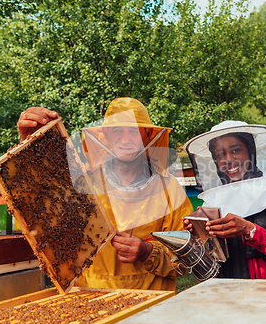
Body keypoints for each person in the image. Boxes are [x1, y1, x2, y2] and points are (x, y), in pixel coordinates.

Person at [17, 97, 193, 291]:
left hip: (150, 308)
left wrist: (147, 252)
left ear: (147, 135)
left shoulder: (170, 190)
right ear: (106, 136)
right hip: (89, 300)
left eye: (133, 130)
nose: (125, 139)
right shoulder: (82, 185)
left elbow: (185, 260)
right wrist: (29, 147)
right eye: (117, 130)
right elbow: (38, 214)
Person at [183, 121, 266, 279]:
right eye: (220, 154)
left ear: (251, 152)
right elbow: (210, 263)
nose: (228, 159)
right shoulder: (212, 201)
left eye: (235, 150)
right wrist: (198, 236)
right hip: (230, 293)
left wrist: (251, 231)